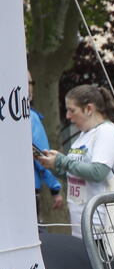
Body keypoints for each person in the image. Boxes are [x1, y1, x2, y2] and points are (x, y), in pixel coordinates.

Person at [35, 84, 114, 238]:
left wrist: (62, 161)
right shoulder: (85, 134)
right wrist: (53, 165)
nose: (68, 116)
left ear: (89, 109)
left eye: (72, 110)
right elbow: (77, 176)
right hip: (82, 227)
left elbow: (98, 172)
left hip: (103, 229)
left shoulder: (106, 132)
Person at [30, 72, 64, 224]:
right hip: (28, 190)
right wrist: (55, 189)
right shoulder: (29, 117)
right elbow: (41, 156)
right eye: (30, 83)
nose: (31, 87)